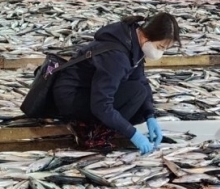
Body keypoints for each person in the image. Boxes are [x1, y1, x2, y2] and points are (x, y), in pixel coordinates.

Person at [53, 13, 180, 153]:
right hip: (71, 97)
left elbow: (140, 80)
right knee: (136, 93)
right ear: (147, 36)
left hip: (89, 90)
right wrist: (132, 133)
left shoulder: (133, 41)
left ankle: (106, 126)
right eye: (160, 47)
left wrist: (150, 115)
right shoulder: (116, 56)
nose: (160, 53)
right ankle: (94, 135)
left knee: (140, 101)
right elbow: (101, 104)